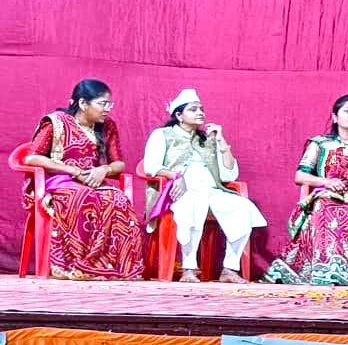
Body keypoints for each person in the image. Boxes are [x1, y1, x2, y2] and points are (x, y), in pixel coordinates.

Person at [262, 94, 348, 285]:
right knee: (324, 208)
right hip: (329, 195)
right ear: (335, 117)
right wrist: (326, 181)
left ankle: (345, 272)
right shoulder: (320, 144)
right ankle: (324, 270)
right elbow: (300, 176)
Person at [21, 79, 144, 280]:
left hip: (92, 181)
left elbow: (119, 163)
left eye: (110, 104)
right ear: (83, 103)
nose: (108, 109)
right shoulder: (56, 122)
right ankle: (77, 265)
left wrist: (104, 169)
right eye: (103, 103)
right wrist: (72, 170)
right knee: (83, 197)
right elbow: (32, 158)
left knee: (118, 199)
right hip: (59, 182)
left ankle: (116, 266)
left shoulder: (107, 126)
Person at [143, 88, 268, 283]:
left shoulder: (207, 140)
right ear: (179, 115)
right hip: (178, 192)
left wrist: (221, 140)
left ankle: (229, 268)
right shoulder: (162, 135)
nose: (200, 113)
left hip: (212, 191)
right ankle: (188, 269)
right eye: (193, 109)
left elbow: (229, 174)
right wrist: (175, 176)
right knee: (194, 204)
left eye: (201, 109)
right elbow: (151, 166)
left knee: (243, 207)